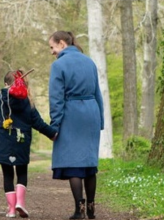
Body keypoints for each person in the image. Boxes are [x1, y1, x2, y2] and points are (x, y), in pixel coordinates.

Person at [0, 70, 57, 218]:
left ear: (6, 84)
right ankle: (20, 203)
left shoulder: (1, 98)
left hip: (3, 141)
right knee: (22, 172)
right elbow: (38, 123)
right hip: (21, 140)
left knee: (8, 174)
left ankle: (11, 209)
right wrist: (52, 134)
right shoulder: (27, 102)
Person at [47, 30, 104, 219]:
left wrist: (54, 125)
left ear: (62, 43)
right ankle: (91, 208)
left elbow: (56, 99)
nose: (52, 52)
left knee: (73, 164)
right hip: (91, 113)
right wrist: (100, 121)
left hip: (72, 114)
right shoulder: (89, 62)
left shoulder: (59, 65)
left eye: (52, 47)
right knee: (88, 163)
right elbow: (98, 94)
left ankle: (79, 210)